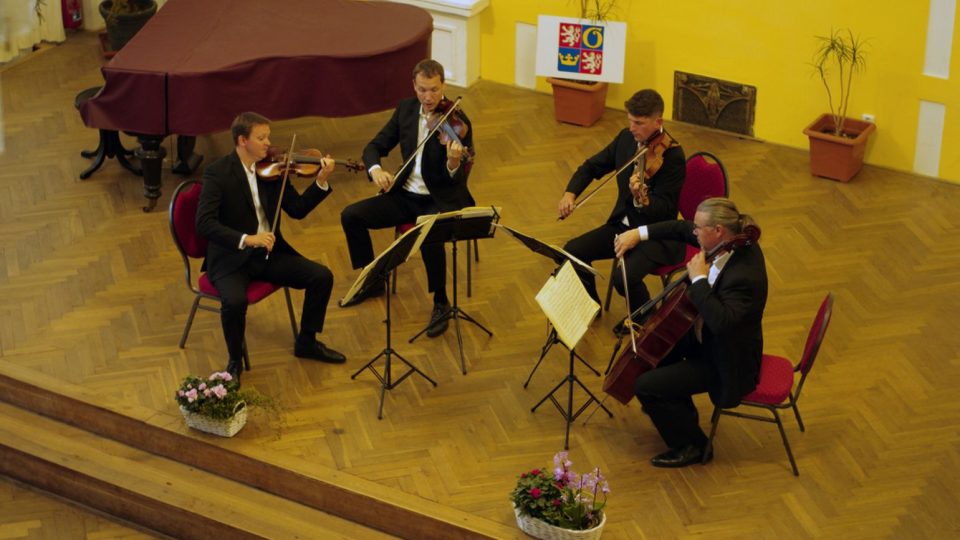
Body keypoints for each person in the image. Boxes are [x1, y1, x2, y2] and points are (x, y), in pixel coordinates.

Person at [613, 197, 767, 468]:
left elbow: (721, 321)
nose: (692, 232)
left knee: (646, 386)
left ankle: (694, 446)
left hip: (724, 359)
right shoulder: (720, 240)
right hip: (701, 336)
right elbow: (679, 227)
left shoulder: (746, 274)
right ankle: (679, 413)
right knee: (652, 359)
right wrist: (638, 233)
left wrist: (697, 279)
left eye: (698, 228)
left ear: (717, 230)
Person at [196, 112, 346, 383]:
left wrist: (321, 180)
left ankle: (307, 342)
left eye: (268, 137)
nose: (268, 143)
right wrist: (247, 239)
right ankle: (234, 361)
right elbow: (204, 224)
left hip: (266, 255)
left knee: (321, 276)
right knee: (234, 301)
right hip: (231, 258)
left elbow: (298, 210)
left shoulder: (273, 171)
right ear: (242, 140)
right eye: (261, 137)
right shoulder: (217, 173)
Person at [340, 59, 474, 338]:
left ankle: (441, 302)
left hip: (438, 199)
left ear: (443, 86)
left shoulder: (457, 121)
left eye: (435, 90)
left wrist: (452, 162)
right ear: (414, 86)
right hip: (404, 195)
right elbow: (374, 146)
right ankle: (373, 278)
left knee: (429, 236)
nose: (429, 97)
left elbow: (459, 178)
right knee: (351, 215)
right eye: (423, 90)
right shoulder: (405, 110)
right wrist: (376, 169)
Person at [558, 89, 686, 334]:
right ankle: (591, 305)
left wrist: (643, 198)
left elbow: (667, 209)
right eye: (630, 121)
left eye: (638, 123)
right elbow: (592, 166)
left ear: (658, 122)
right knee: (572, 251)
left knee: (623, 278)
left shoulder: (672, 156)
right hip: (621, 226)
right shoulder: (626, 140)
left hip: (655, 234)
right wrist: (570, 192)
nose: (632, 128)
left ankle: (647, 319)